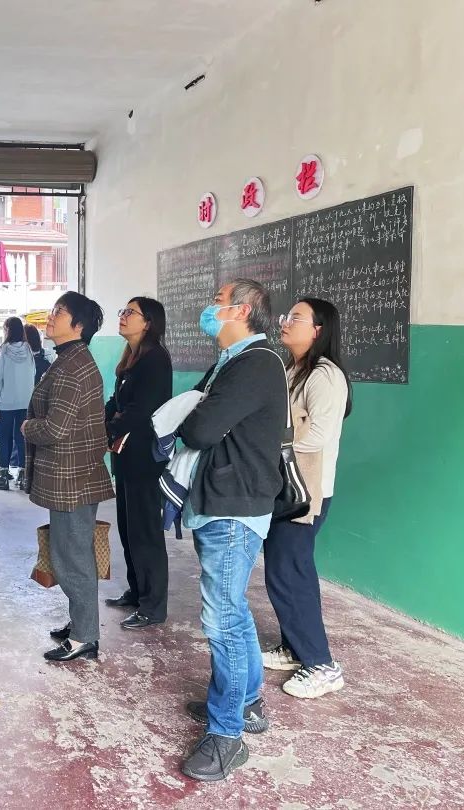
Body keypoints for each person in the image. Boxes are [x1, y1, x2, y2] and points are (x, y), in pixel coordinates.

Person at [178, 279, 286, 781]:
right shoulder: (233, 361)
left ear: (242, 311)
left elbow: (199, 428)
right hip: (224, 501)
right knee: (233, 611)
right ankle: (246, 701)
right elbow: (204, 415)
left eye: (218, 302)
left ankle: (227, 737)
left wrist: (192, 417)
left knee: (221, 619)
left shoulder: (255, 363)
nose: (210, 308)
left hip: (234, 508)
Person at [263, 298, 351, 698]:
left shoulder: (325, 375)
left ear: (318, 330)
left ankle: (321, 664)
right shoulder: (294, 369)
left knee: (289, 573)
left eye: (295, 318)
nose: (285, 322)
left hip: (306, 492)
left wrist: (268, 441)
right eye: (286, 316)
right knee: (287, 568)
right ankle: (294, 648)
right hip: (287, 485)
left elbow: (317, 436)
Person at [22, 292, 115, 662]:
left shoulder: (73, 366)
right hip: (73, 475)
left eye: (59, 312)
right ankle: (81, 623)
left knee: (72, 558)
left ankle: (84, 638)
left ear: (78, 325)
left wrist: (27, 427)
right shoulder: (68, 359)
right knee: (72, 553)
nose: (51, 316)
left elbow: (55, 429)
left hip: (72, 478)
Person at [104, 297, 173, 629]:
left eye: (130, 312)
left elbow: (141, 409)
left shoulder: (155, 358)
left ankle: (153, 605)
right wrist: (104, 422)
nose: (123, 316)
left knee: (145, 532)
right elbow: (116, 402)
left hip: (144, 458)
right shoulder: (131, 358)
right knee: (128, 527)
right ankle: (137, 590)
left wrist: (111, 427)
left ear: (148, 323)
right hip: (125, 456)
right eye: (123, 311)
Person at [0, 317, 36, 491]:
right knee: (21, 437)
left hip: (6, 402)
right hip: (25, 401)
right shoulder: (28, 349)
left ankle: (3, 475)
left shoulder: (3, 351)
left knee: (4, 438)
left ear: (7, 330)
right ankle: (23, 475)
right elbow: (32, 374)